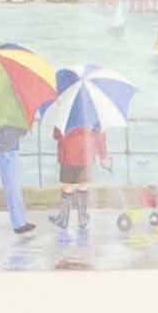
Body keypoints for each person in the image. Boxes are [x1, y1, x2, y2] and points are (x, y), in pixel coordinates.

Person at [0, 102, 39, 243]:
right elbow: (23, 130)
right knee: (13, 186)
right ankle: (19, 224)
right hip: (9, 145)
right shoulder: (16, 100)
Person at [53, 106, 105, 247]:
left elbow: (57, 135)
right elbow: (100, 135)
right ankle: (82, 219)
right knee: (83, 186)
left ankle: (63, 219)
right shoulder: (93, 110)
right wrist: (103, 155)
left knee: (68, 187)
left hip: (68, 154)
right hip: (86, 154)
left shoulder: (65, 108)